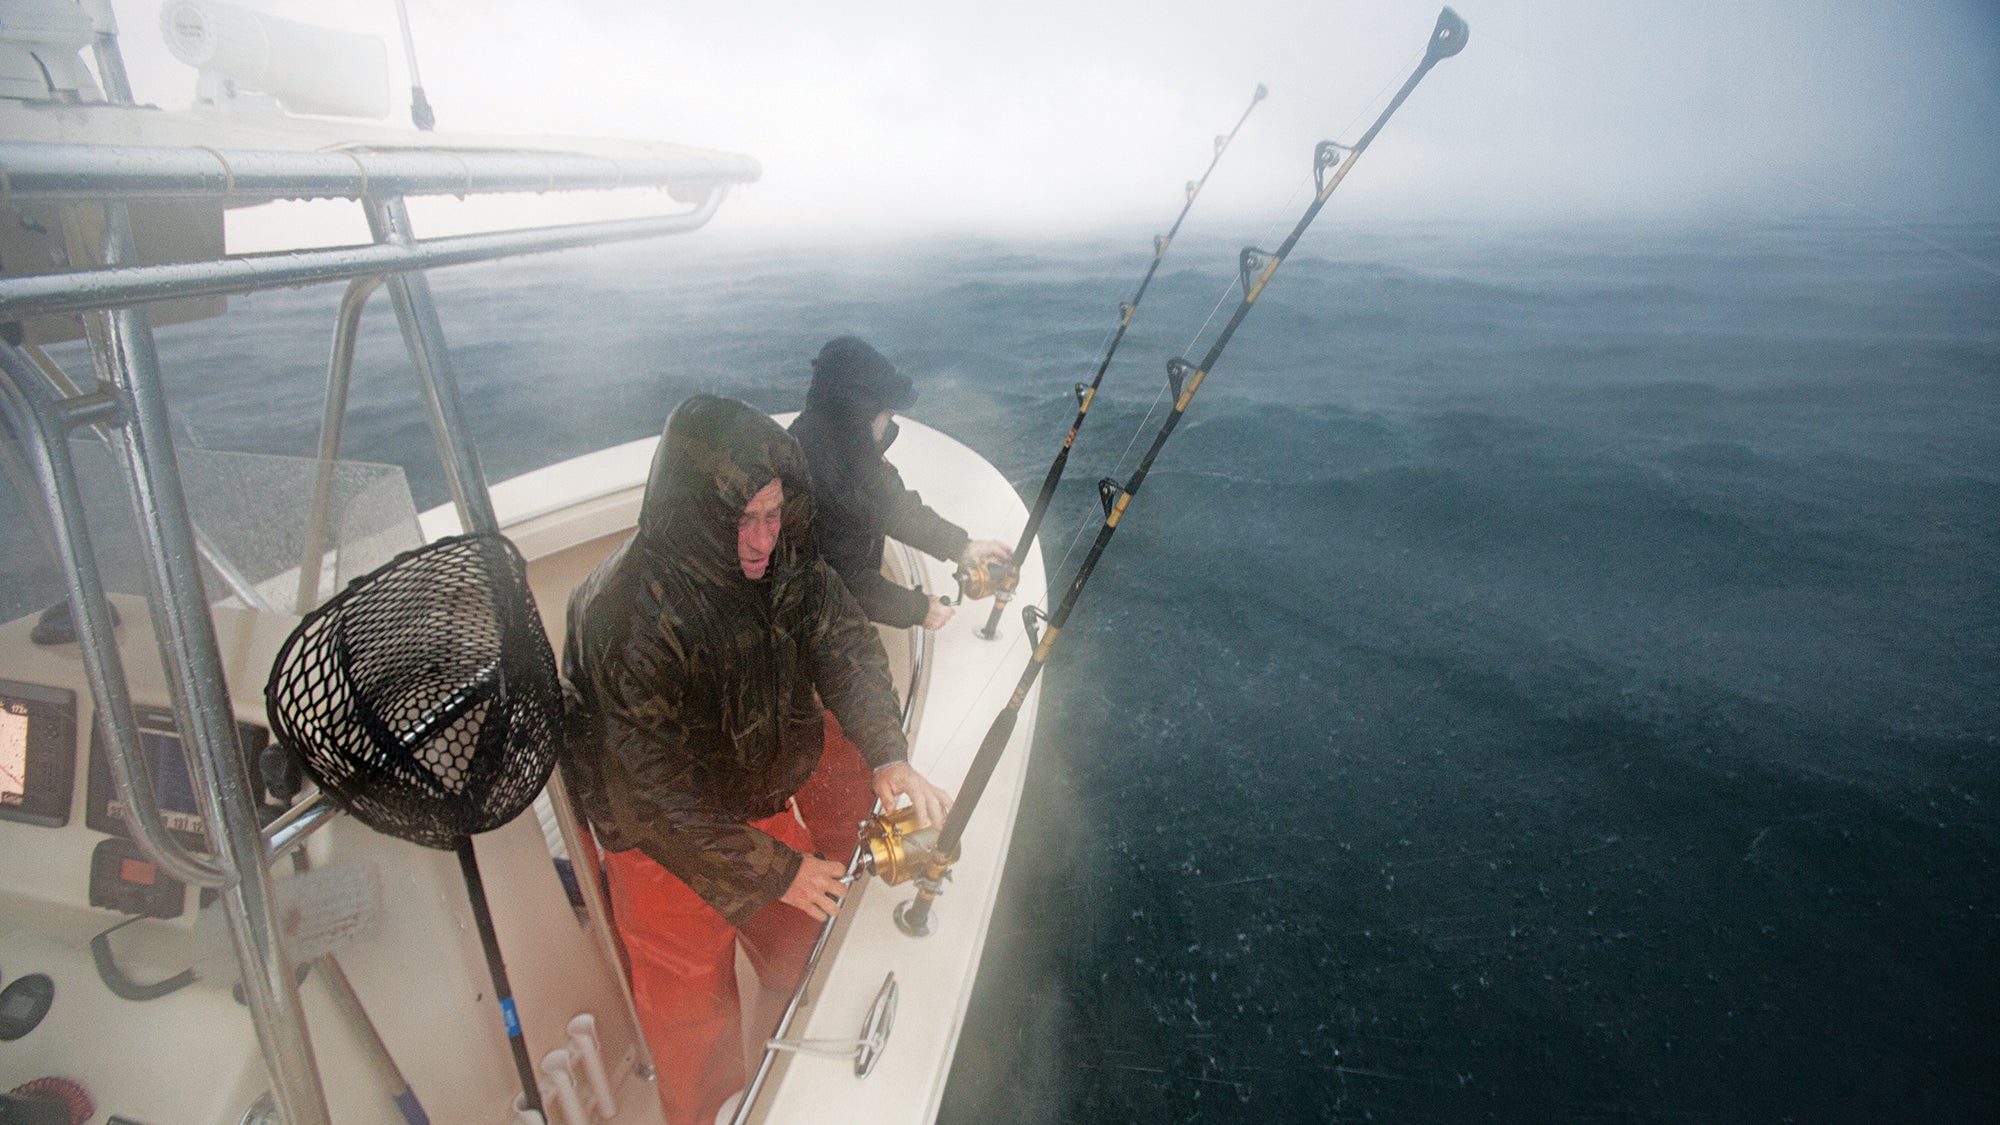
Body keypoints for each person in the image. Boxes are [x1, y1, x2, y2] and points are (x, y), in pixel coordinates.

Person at [557, 394, 952, 1124]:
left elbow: (845, 644)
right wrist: (780, 869)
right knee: (690, 1010)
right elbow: (648, 796)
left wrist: (889, 754)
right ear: (694, 512)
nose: (761, 538)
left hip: (756, 798)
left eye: (773, 515)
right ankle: (708, 1114)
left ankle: (792, 1071)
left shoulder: (786, 561)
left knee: (803, 947)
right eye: (742, 518)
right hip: (657, 843)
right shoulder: (623, 616)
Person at [788, 336, 1012, 630]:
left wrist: (962, 546)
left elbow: (892, 508)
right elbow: (836, 580)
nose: (891, 412)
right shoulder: (821, 476)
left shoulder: (844, 445)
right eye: (882, 405)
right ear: (854, 411)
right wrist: (917, 609)